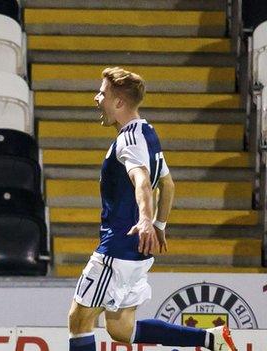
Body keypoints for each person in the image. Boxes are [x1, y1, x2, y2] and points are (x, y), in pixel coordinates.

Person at [67, 67, 237, 351]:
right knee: (122, 328)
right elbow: (168, 184)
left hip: (117, 249)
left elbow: (143, 180)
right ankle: (211, 338)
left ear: (119, 102)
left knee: (78, 321)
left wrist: (146, 220)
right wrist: (158, 225)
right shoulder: (148, 133)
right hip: (137, 250)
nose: (96, 98)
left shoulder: (128, 140)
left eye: (102, 93)